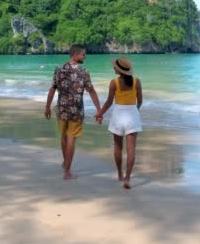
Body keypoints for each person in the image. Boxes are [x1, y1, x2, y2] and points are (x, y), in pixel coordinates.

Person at [44, 44, 102, 180]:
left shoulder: (59, 70)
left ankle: (66, 163)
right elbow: (91, 91)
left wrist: (47, 107)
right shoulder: (83, 72)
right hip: (76, 111)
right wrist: (99, 109)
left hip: (61, 110)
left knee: (64, 137)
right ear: (75, 55)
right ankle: (67, 171)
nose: (85, 56)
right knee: (71, 139)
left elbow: (52, 89)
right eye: (83, 54)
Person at [95, 57, 143, 189]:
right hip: (132, 114)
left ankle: (120, 173)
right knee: (131, 149)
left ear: (119, 70)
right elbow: (140, 101)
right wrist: (134, 110)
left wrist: (100, 113)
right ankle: (127, 178)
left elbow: (109, 102)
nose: (113, 68)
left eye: (115, 67)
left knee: (118, 147)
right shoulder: (136, 82)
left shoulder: (114, 83)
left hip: (118, 115)